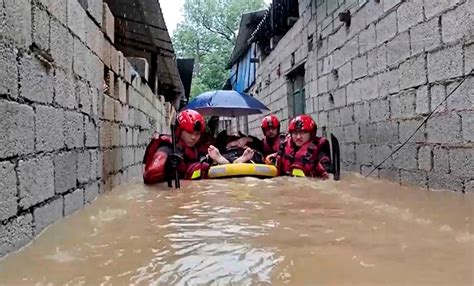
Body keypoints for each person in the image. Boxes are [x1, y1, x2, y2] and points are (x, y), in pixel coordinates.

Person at [142, 109, 211, 184]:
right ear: (179, 131)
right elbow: (148, 176)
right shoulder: (166, 149)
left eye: (197, 134)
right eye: (189, 132)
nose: (193, 137)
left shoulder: (196, 150)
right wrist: (166, 167)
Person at [270, 115, 332, 179]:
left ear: (311, 134)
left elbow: (328, 178)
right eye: (295, 133)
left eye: (303, 132)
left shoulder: (320, 151)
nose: (298, 137)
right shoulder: (284, 146)